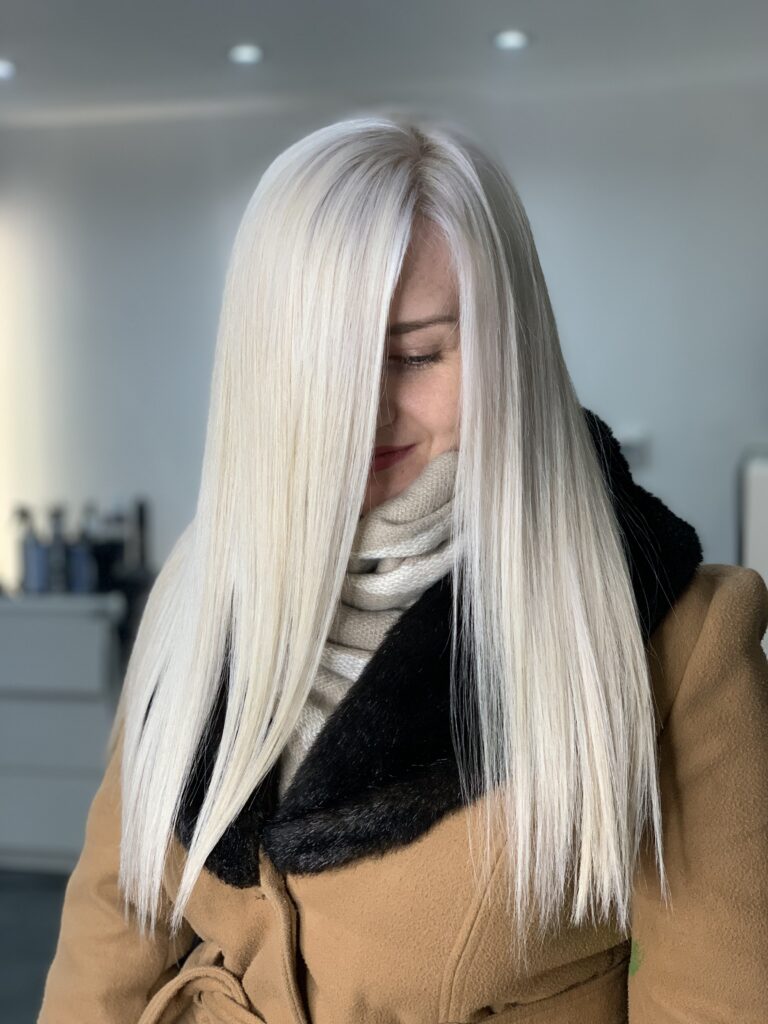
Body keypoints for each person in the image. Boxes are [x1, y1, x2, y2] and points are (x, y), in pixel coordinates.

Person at [38, 112, 768, 1024]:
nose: (362, 410)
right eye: (320, 363)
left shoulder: (668, 638)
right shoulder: (202, 587)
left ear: (509, 350)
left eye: (417, 355)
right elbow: (114, 922)